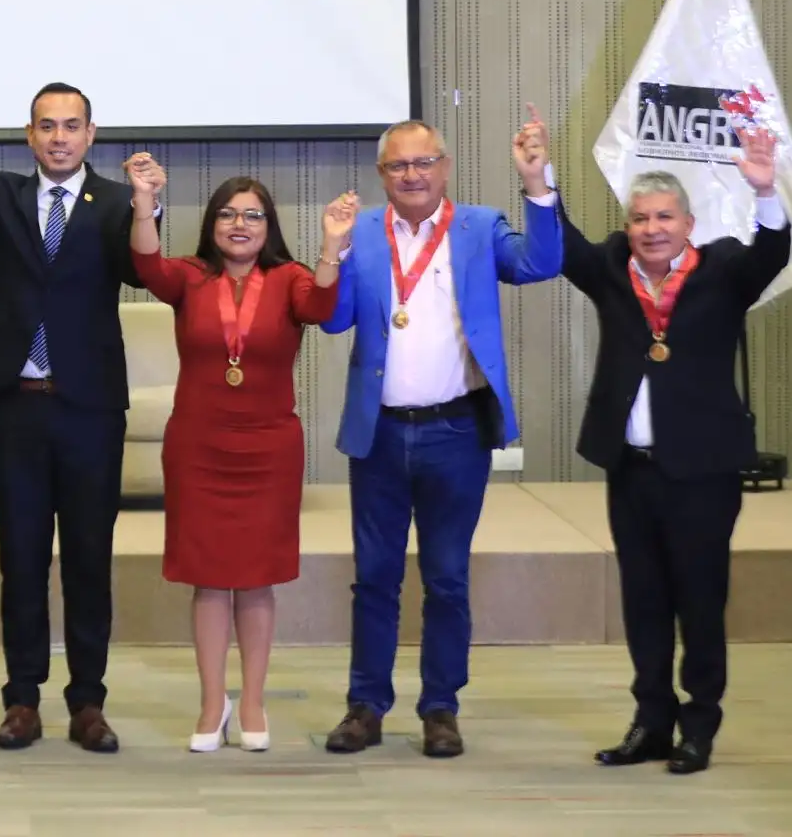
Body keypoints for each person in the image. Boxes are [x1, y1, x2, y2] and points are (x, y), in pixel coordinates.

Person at [320, 107, 561, 759]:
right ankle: (365, 705)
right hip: (379, 433)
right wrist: (332, 252)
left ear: (445, 167)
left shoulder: (479, 227)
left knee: (447, 577)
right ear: (381, 174)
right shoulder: (362, 232)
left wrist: (538, 183)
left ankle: (440, 708)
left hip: (456, 431)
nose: (412, 174)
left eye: (424, 161)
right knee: (373, 577)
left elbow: (541, 262)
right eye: (398, 165)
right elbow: (334, 320)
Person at [564, 131, 785, 776]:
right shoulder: (610, 268)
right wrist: (537, 182)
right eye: (640, 218)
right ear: (627, 226)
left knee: (699, 599)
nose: (651, 229)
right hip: (632, 470)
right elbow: (565, 248)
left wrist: (765, 186)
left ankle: (700, 724)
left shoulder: (722, 271)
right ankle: (651, 722)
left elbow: (774, 248)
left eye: (664, 217)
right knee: (644, 600)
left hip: (703, 472)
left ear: (688, 223)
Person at [0, 82, 154, 753]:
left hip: (90, 409)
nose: (59, 137)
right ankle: (22, 699)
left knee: (90, 559)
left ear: (91, 135)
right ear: (29, 135)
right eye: (46, 126)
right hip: (17, 408)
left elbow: (141, 271)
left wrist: (148, 205)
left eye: (71, 126)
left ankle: (88, 701)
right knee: (22, 560)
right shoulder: (4, 195)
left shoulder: (118, 202)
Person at [129, 162, 354, 752]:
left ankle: (252, 700)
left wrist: (332, 246)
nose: (239, 223)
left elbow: (322, 310)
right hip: (199, 446)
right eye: (227, 213)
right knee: (207, 579)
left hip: (268, 447)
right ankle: (212, 703)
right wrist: (145, 199)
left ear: (269, 226)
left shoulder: (290, 279)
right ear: (211, 224)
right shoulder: (189, 277)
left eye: (253, 215)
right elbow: (145, 266)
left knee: (255, 580)